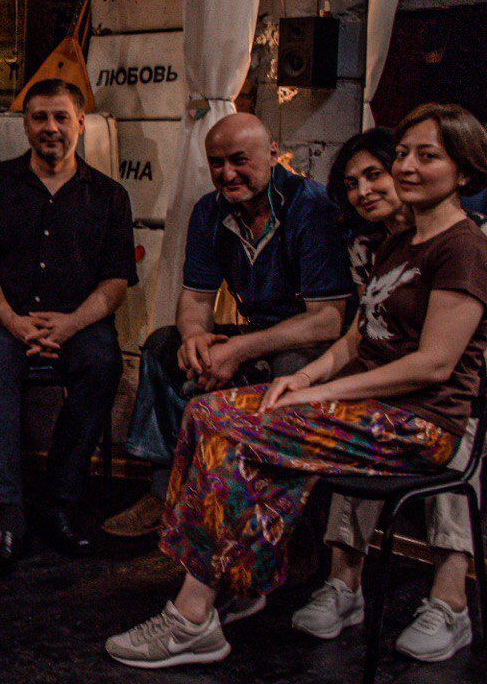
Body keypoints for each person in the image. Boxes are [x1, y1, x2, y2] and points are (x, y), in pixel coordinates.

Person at [106, 103, 487, 669]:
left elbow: (432, 365)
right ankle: (232, 583)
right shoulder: (398, 243)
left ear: (464, 170)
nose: (406, 166)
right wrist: (301, 378)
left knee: (237, 429)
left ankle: (191, 617)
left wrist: (316, 395)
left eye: (426, 156)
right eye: (404, 153)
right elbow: (356, 338)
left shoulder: (463, 246)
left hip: (421, 423)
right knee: (207, 412)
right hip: (374, 409)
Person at [103, 112, 353, 539]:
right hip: (257, 333)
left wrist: (237, 350)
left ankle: (287, 519)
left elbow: (328, 320)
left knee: (291, 368)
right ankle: (165, 493)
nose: (227, 173)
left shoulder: (309, 207)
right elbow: (197, 297)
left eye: (239, 160)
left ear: (272, 154)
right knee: (163, 346)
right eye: (216, 163)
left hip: (310, 344)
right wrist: (195, 339)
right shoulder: (209, 210)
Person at [291, 127, 484, 662]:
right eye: (352, 184)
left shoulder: (469, 239)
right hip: (395, 386)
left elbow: (445, 356)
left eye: (375, 174)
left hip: (458, 385)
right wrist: (315, 381)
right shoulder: (372, 245)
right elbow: (365, 331)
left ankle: (449, 600)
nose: (364, 191)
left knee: (458, 424)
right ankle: (343, 583)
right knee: (366, 418)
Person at [0, 78, 137, 574]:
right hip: (7, 318)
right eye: (40, 117)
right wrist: (14, 323)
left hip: (77, 322)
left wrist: (71, 324)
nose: (51, 127)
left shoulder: (110, 196)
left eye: (61, 117)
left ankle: (58, 500)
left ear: (81, 123)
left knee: (103, 363)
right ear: (25, 124)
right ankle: (6, 512)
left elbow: (116, 281)